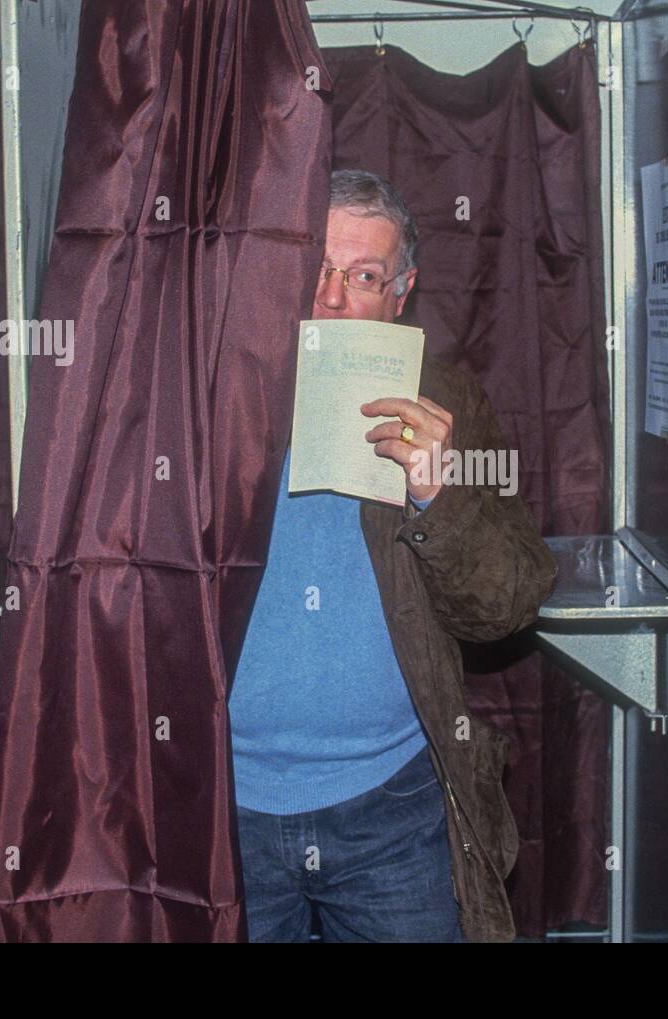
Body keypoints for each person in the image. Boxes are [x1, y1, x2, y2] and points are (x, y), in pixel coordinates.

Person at [229, 168, 558, 942]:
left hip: (394, 804)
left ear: (400, 293)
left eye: (365, 276)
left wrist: (435, 499)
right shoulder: (215, 396)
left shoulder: (444, 406)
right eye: (316, 270)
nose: (333, 300)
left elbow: (508, 601)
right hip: (226, 802)